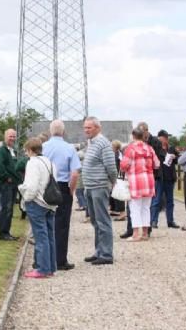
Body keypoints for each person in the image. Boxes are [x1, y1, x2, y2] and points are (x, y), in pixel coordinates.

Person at [43, 119, 80, 270]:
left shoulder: (43, 147)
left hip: (45, 185)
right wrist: (71, 190)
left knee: (45, 224)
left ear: (50, 131)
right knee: (62, 225)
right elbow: (75, 173)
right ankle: (60, 260)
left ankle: (44, 259)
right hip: (63, 186)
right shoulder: (69, 148)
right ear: (63, 132)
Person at [18, 137, 57, 278]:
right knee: (50, 235)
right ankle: (51, 266)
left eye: (26, 151)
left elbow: (32, 186)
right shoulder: (49, 162)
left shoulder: (33, 163)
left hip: (37, 202)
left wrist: (26, 199)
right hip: (49, 203)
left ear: (30, 150)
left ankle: (42, 268)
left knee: (41, 237)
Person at [82, 117, 117, 265]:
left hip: (99, 187)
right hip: (89, 187)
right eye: (85, 128)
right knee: (96, 221)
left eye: (89, 128)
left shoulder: (103, 143)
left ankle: (107, 254)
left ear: (97, 128)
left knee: (103, 221)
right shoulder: (91, 143)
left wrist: (113, 182)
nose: (86, 130)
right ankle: (99, 251)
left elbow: (111, 166)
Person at [120, 128, 160, 241]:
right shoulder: (149, 148)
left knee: (135, 208)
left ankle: (136, 234)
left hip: (135, 182)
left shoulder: (130, 148)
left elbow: (123, 165)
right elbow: (157, 164)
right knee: (146, 208)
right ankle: (145, 233)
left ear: (133, 136)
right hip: (148, 181)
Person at [0, 129, 22, 241]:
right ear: (5, 137)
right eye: (10, 136)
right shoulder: (2, 151)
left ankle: (7, 231)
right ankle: (3, 233)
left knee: (10, 208)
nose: (12, 138)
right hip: (6, 184)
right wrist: (8, 178)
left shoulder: (12, 151)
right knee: (6, 208)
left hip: (13, 184)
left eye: (14, 136)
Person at [150, 130, 180, 228]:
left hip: (170, 178)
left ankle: (170, 221)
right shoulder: (156, 149)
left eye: (166, 139)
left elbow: (177, 160)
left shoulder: (171, 148)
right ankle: (153, 221)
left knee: (170, 201)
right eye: (163, 139)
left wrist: (175, 156)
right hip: (160, 177)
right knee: (156, 200)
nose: (164, 141)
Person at [109, 140, 126, 220]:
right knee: (113, 194)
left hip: (118, 177)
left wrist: (115, 179)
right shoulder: (118, 154)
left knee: (118, 194)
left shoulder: (117, 155)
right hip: (119, 176)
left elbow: (117, 167)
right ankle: (114, 210)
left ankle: (122, 213)